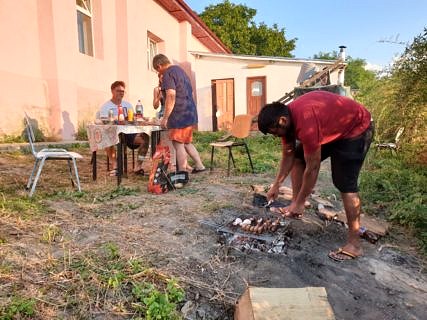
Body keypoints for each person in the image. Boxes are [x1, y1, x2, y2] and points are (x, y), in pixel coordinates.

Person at [257, 91, 374, 262]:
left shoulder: (306, 122)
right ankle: (295, 207)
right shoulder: (287, 123)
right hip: (335, 129)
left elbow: (313, 167)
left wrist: (302, 200)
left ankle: (354, 245)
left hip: (356, 129)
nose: (275, 136)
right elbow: (288, 155)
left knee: (344, 184)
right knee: (298, 158)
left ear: (282, 121)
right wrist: (276, 185)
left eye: (274, 132)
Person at [152, 54, 206, 174]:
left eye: (157, 70)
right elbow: (190, 93)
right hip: (189, 112)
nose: (158, 72)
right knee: (187, 142)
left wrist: (165, 118)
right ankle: (199, 165)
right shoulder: (181, 71)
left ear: (159, 65)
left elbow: (171, 95)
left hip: (179, 114)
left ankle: (182, 173)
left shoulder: (168, 73)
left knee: (178, 144)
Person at [99, 80, 149, 176]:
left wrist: (139, 119)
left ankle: (138, 166)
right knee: (107, 137)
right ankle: (115, 166)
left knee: (145, 138)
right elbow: (104, 122)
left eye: (122, 91)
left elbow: (133, 118)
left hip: (129, 133)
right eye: (118, 91)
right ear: (112, 91)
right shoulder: (106, 106)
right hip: (113, 133)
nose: (121, 93)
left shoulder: (128, 105)